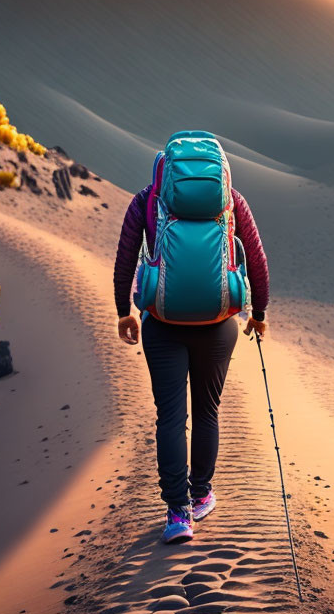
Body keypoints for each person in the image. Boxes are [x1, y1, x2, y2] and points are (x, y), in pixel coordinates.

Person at [113, 156, 269, 544]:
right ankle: (201, 494)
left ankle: (177, 514)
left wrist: (124, 313)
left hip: (162, 325)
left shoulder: (147, 201)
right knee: (207, 411)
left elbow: (125, 257)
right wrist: (259, 312)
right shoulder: (232, 200)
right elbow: (257, 260)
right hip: (218, 325)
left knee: (169, 417)